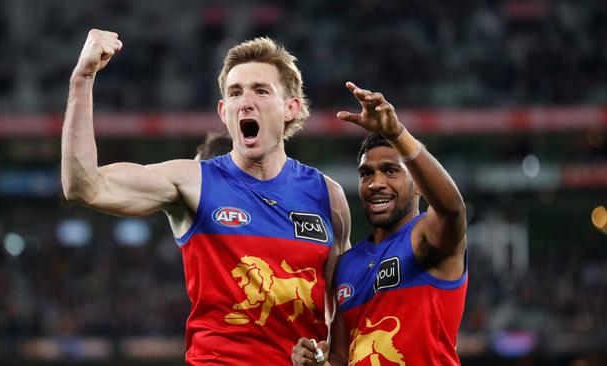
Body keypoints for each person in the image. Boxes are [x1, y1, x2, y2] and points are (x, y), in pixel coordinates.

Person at [61, 29, 351, 365]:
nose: (246, 101)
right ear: (223, 110)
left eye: (261, 90)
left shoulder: (327, 196)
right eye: (235, 93)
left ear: (290, 108)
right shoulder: (193, 182)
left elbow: (340, 310)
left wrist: (329, 359)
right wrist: (83, 78)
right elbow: (84, 186)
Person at [292, 82, 467, 365]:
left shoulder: (427, 239)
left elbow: (453, 210)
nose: (375, 183)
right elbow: (339, 356)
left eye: (390, 171)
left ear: (419, 186)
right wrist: (317, 361)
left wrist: (396, 133)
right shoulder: (346, 264)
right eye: (366, 174)